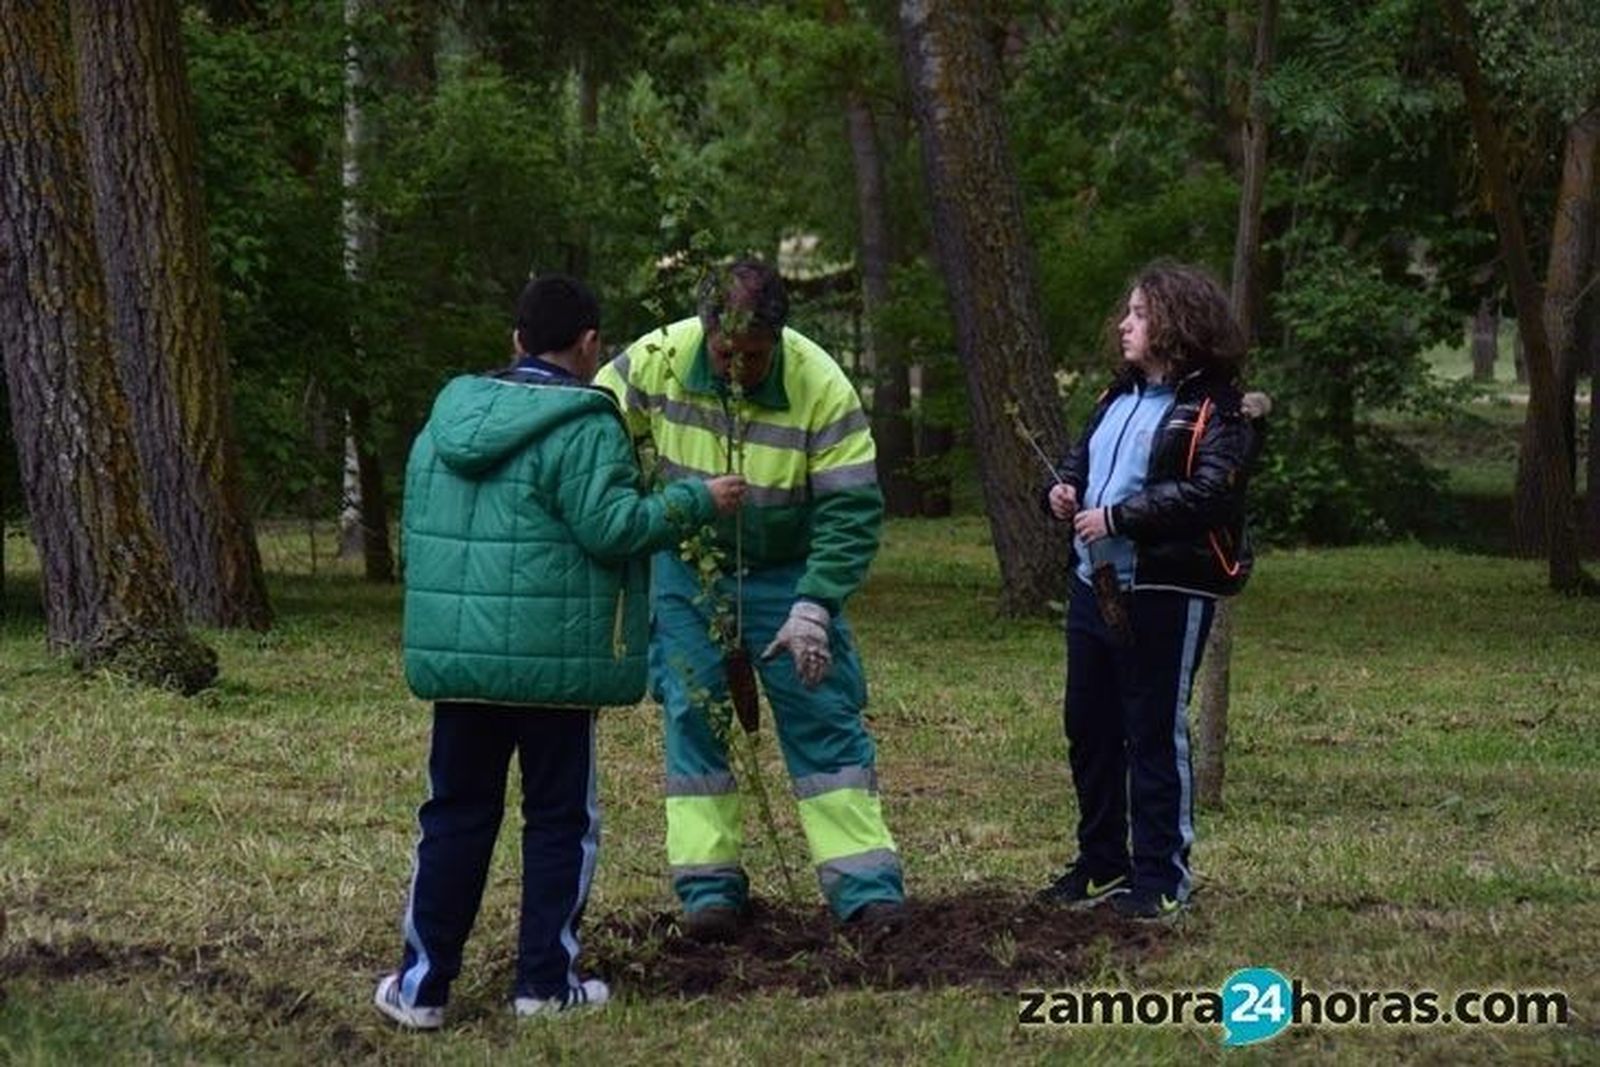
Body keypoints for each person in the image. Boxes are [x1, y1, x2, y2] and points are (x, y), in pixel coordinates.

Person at [373, 274, 746, 1029]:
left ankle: (421, 987)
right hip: (554, 669)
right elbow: (612, 528)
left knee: (453, 814)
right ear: (588, 346)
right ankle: (544, 980)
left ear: (515, 340)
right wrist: (697, 500)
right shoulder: (586, 422)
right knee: (557, 820)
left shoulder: (447, 417)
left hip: (464, 665)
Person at [593, 259, 905, 941]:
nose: (737, 367)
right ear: (704, 332)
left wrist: (815, 604)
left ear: (780, 339)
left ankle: (865, 888)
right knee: (693, 709)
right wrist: (641, 501)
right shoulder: (659, 358)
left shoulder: (820, 384)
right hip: (687, 567)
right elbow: (591, 420)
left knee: (821, 711)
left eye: (754, 356)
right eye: (725, 353)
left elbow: (851, 510)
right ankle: (710, 891)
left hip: (785, 571)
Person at [1038, 260, 1260, 921]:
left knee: (1153, 732)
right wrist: (1060, 493)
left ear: (1173, 322)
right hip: (1092, 586)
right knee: (1090, 726)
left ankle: (1161, 875)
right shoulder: (1116, 397)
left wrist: (1118, 517)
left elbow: (1211, 494)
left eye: (1137, 314)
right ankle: (1102, 861)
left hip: (1163, 589)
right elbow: (1082, 461)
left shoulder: (1218, 409)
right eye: (1127, 313)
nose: (1124, 325)